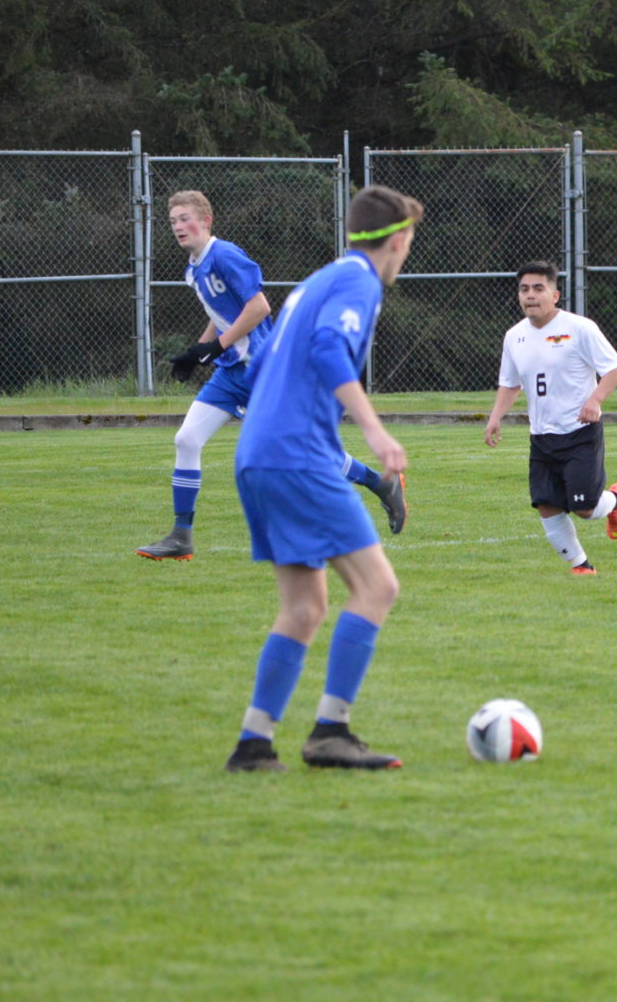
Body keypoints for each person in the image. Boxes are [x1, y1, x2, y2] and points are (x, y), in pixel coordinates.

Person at [222, 185, 422, 773]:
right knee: (377, 587)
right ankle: (331, 731)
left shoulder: (317, 280)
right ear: (398, 239)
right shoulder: (360, 281)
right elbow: (330, 348)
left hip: (257, 455)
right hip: (297, 457)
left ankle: (254, 745)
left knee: (305, 607)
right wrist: (375, 433)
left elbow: (260, 366)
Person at [137, 190, 405, 561]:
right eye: (172, 221)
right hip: (231, 373)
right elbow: (222, 314)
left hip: (261, 371)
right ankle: (181, 536)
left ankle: (381, 484)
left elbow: (259, 306)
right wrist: (198, 350)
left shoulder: (224, 255)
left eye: (185, 218)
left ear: (206, 221)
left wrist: (216, 346)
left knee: (309, 451)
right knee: (186, 439)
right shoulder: (193, 268)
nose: (178, 226)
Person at [484, 261, 617, 576]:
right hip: (541, 436)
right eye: (524, 289)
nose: (530, 295)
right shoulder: (514, 336)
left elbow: (615, 367)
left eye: (538, 288)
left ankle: (616, 501)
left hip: (580, 432)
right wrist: (495, 416)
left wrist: (595, 400)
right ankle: (581, 566)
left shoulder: (580, 328)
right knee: (546, 505)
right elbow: (510, 383)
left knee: (584, 508)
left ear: (555, 295)